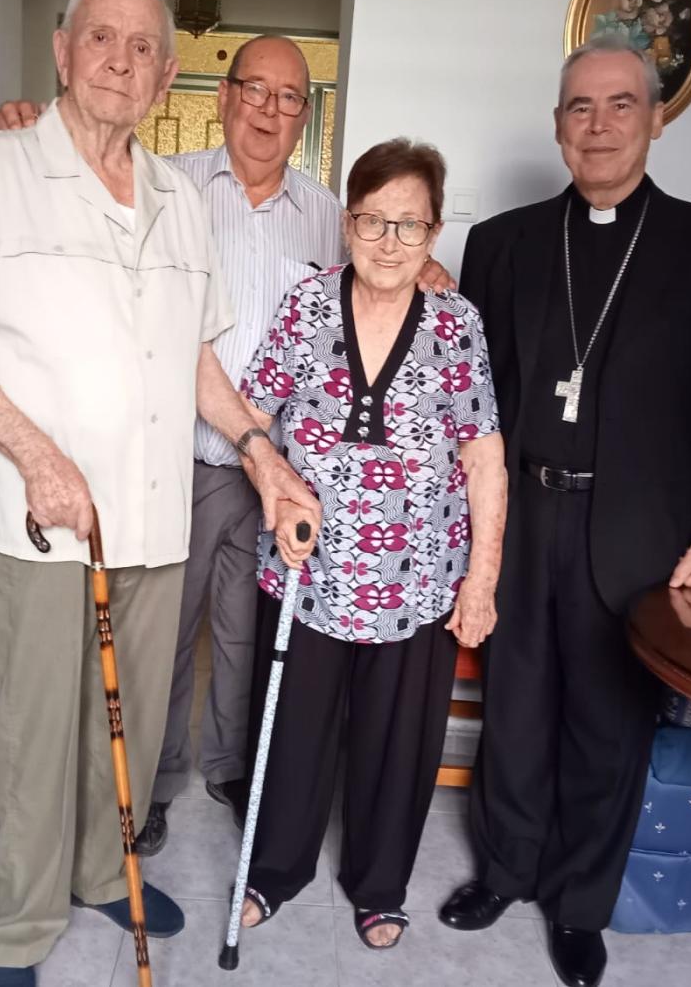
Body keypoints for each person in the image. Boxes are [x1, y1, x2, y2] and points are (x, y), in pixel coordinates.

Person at [0, 0, 314, 987]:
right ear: (63, 51)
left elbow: (198, 364)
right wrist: (39, 456)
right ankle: (12, 928)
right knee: (41, 731)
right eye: (102, 38)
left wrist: (260, 450)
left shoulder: (181, 199)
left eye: (143, 48)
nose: (120, 62)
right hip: (41, 522)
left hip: (153, 516)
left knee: (125, 720)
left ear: (166, 76)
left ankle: (102, 871)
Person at [0, 38, 453, 855]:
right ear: (225, 97)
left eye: (290, 99)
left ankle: (237, 771)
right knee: (163, 635)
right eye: (256, 92)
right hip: (176, 460)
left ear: (306, 116)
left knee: (246, 632)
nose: (270, 112)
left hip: (276, 472)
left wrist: (428, 264)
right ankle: (159, 782)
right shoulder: (163, 183)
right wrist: (25, 129)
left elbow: (380, 282)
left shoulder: (324, 213)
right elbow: (75, 188)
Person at [437, 33, 691, 987]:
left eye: (622, 105)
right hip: (522, 520)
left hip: (640, 537)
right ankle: (503, 868)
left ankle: (580, 907)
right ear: (557, 127)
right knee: (517, 709)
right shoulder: (503, 244)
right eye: (581, 107)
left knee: (608, 726)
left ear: (657, 120)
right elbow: (474, 398)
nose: (601, 125)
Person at [235, 138, 507, 950]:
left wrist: (481, 580)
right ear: (346, 222)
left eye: (409, 226)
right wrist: (273, 487)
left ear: (435, 231)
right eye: (373, 222)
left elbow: (483, 453)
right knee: (291, 729)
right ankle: (274, 869)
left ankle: (379, 884)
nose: (389, 243)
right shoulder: (308, 306)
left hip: (420, 577)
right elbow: (251, 416)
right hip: (308, 568)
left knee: (399, 743)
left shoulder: (457, 324)